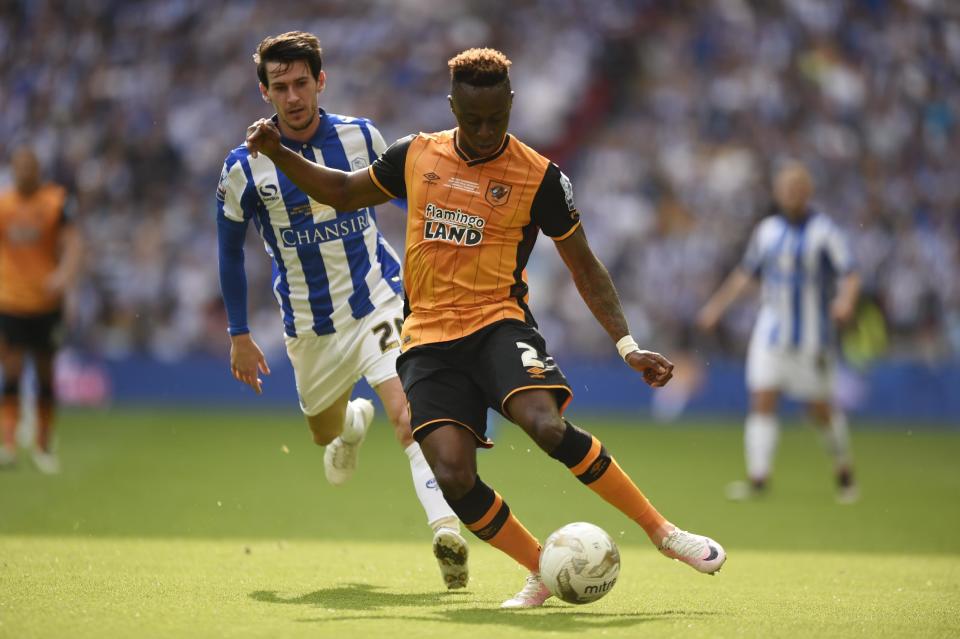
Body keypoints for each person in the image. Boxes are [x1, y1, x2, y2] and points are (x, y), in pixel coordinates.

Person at [245, 47, 726, 608]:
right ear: (452, 106)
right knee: (451, 474)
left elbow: (585, 265)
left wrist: (627, 345)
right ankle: (540, 569)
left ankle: (663, 533)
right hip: (426, 338)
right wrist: (279, 151)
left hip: (499, 323)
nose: (482, 131)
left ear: (511, 105)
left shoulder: (540, 177)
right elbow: (344, 192)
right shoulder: (416, 155)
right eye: (470, 120)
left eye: (495, 119)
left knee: (544, 426)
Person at [216, 32, 469, 589]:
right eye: (279, 86)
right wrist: (238, 332)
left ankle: (445, 529)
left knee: (411, 414)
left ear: (320, 81)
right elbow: (229, 250)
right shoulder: (243, 168)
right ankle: (350, 429)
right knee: (322, 431)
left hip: (378, 297)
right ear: (265, 92)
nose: (293, 96)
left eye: (301, 82)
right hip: (310, 325)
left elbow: (411, 202)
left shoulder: (361, 136)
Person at [697, 162, 861, 504]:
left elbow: (850, 273)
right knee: (762, 398)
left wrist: (845, 301)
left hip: (812, 337)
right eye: (786, 188)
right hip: (770, 332)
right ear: (778, 193)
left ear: (808, 192)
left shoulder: (824, 232)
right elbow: (746, 274)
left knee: (819, 408)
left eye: (797, 188)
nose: (791, 194)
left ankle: (844, 468)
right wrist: (716, 306)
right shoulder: (767, 231)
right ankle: (758, 478)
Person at [0, 146, 84, 474]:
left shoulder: (56, 202)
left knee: (46, 370)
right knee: (13, 368)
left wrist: (64, 275)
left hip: (47, 302)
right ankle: (8, 441)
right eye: (18, 167)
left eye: (29, 167)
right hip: (10, 300)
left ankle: (43, 442)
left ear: (37, 169)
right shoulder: (4, 204)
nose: (23, 173)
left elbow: (74, 243)